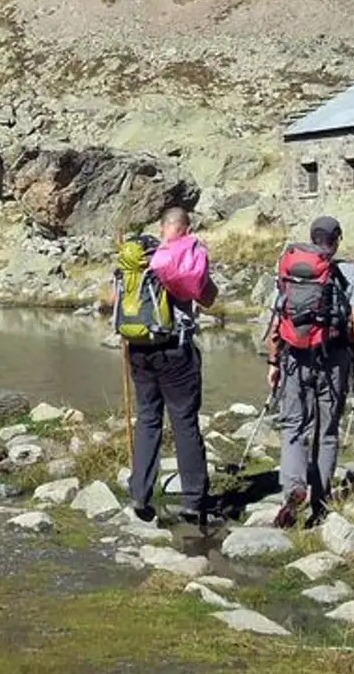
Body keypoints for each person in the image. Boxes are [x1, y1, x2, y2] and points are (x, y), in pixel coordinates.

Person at [266, 215, 354, 528]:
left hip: (295, 357)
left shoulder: (290, 267)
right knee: (327, 432)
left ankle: (293, 488)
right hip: (334, 358)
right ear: (337, 240)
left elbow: (277, 319)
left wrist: (273, 362)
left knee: (293, 426)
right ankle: (320, 503)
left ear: (312, 238)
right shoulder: (349, 272)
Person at [119, 206, 219, 526]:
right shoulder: (184, 254)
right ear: (185, 228)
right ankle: (193, 501)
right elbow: (207, 297)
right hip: (175, 350)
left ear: (162, 227)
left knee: (148, 419)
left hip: (138, 349)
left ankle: (140, 494)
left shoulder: (137, 257)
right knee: (184, 422)